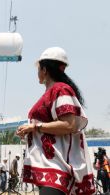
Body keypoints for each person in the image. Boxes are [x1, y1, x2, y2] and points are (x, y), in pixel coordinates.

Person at [16, 47, 95, 195]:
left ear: (44, 69)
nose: (37, 72)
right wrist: (30, 130)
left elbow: (69, 124)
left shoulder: (60, 89)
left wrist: (34, 127)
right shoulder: (53, 91)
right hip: (50, 165)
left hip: (58, 166)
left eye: (38, 68)